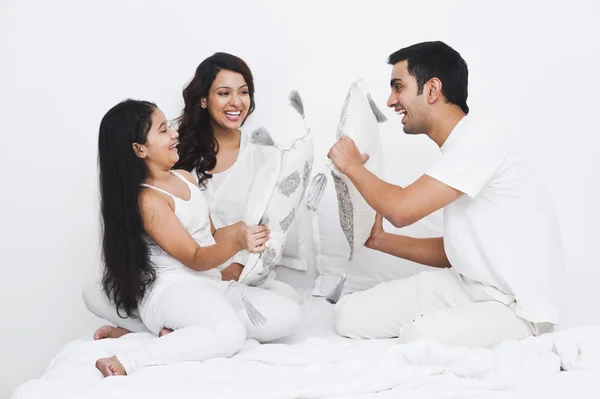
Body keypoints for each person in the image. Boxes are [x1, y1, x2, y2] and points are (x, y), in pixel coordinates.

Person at [327, 41, 564, 347]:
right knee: (349, 316)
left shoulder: (483, 138)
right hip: (467, 285)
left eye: (398, 87)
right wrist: (380, 241)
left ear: (432, 89)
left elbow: (401, 210)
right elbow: (456, 251)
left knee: (418, 336)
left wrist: (351, 165)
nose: (390, 101)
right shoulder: (458, 151)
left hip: (519, 308)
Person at [84, 53, 300, 340]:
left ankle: (179, 328)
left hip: (223, 271)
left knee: (287, 306)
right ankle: (181, 328)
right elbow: (194, 254)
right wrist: (230, 247)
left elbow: (208, 235)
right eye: (224, 93)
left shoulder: (189, 172)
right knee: (95, 293)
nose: (236, 102)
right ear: (203, 99)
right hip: (188, 277)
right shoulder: (170, 171)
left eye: (244, 92)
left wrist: (237, 241)